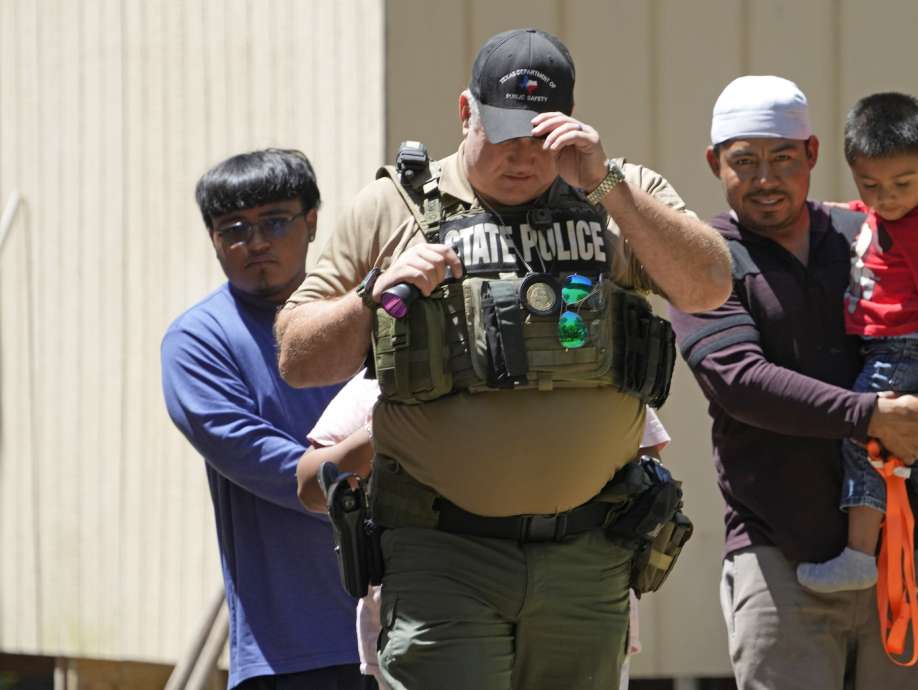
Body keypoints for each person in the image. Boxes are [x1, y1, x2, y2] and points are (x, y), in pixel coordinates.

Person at [274, 28, 731, 690]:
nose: (522, 155)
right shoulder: (395, 207)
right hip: (443, 555)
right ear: (466, 113)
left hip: (588, 554)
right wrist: (377, 293)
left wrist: (606, 186)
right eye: (503, 131)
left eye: (540, 136)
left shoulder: (617, 195)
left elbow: (709, 287)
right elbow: (296, 355)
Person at [668, 75, 918, 689]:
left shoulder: (867, 229)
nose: (765, 178)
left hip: (901, 552)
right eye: (744, 161)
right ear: (714, 163)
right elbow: (740, 380)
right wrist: (872, 417)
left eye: (783, 158)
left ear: (812, 155)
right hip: (779, 556)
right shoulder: (707, 255)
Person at [293, 373, 674, 690]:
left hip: (578, 590)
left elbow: (645, 448)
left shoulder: (574, 355)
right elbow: (311, 482)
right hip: (440, 591)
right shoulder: (403, 368)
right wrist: (392, 428)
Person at [161, 149, 370, 689]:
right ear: (213, 240)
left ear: (312, 222)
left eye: (274, 221)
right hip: (294, 651)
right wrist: (391, 436)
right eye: (234, 229)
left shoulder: (364, 319)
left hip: (410, 629)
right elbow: (293, 477)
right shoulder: (199, 342)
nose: (255, 242)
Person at [795, 91, 918, 627]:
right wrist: (838, 209)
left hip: (909, 347)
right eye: (869, 185)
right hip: (890, 346)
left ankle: (859, 557)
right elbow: (871, 215)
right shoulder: (892, 213)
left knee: (861, 427)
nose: (885, 198)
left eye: (902, 184)